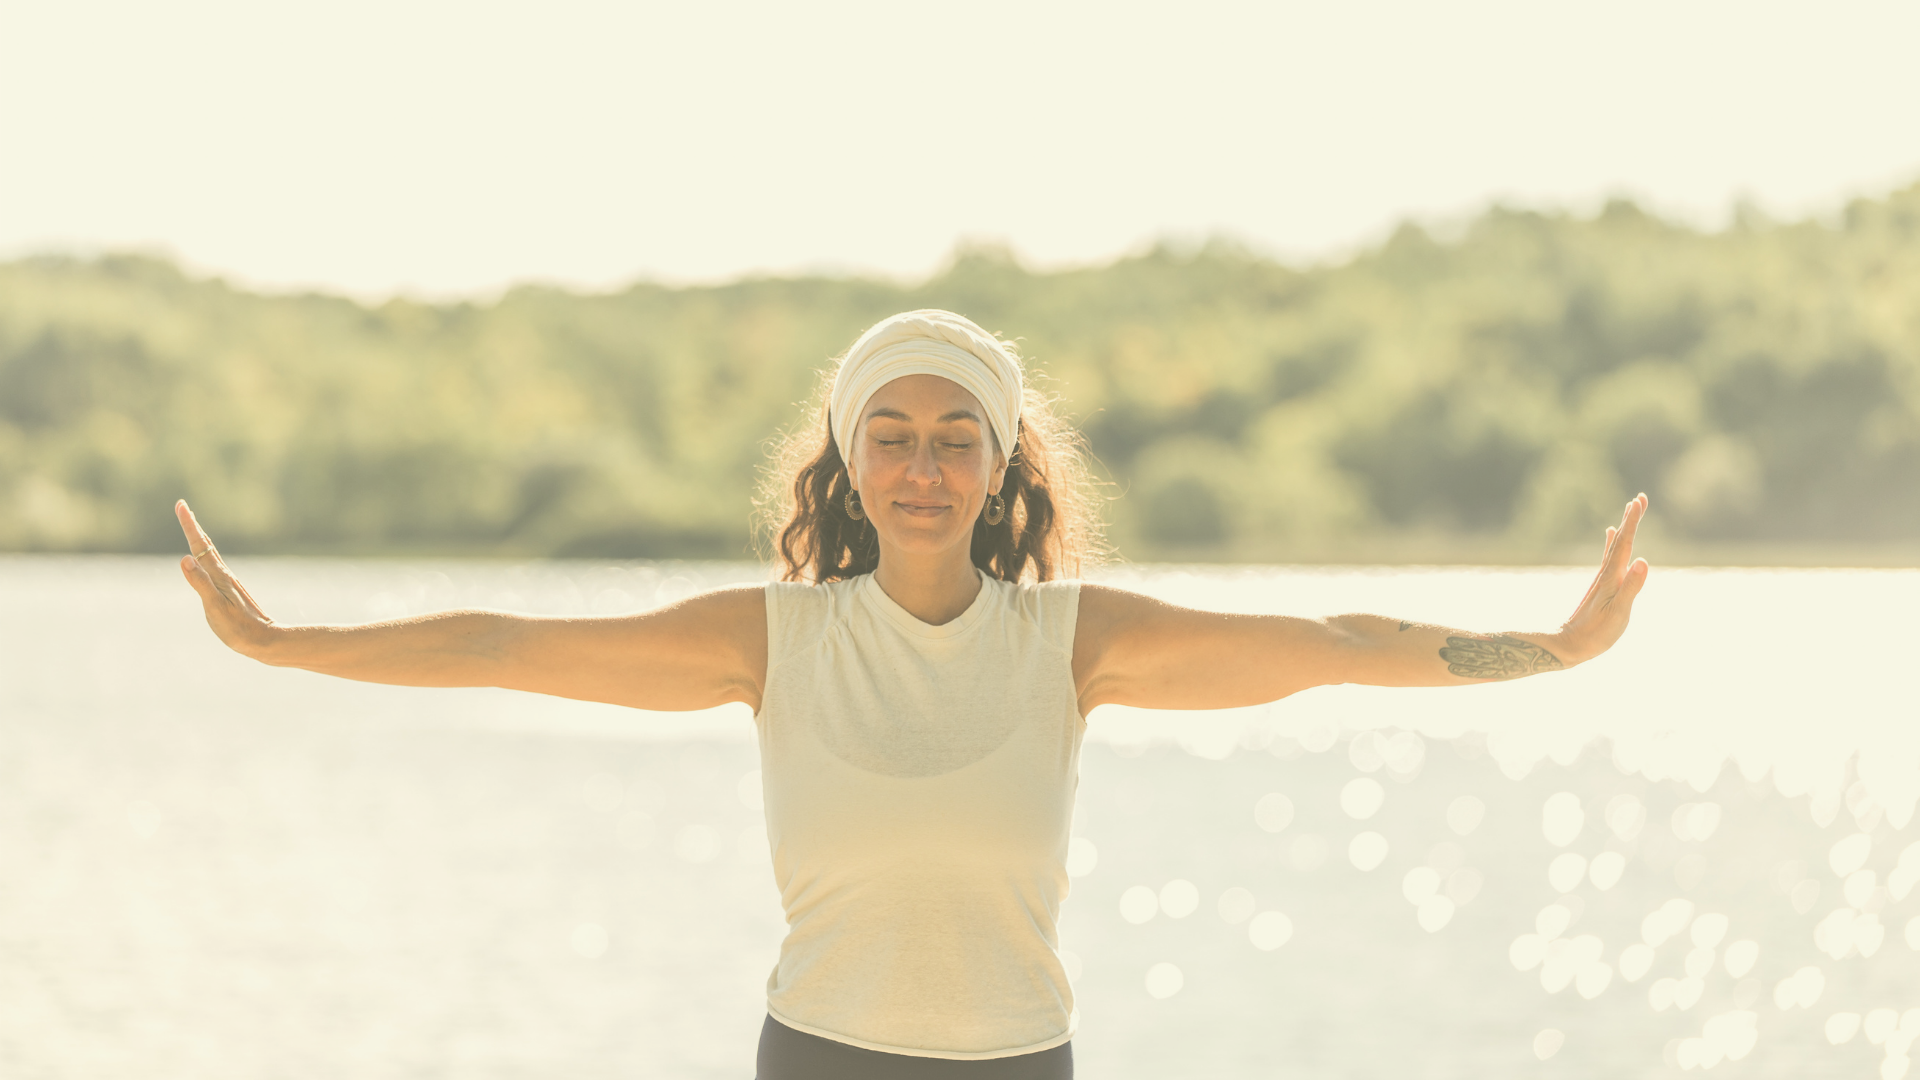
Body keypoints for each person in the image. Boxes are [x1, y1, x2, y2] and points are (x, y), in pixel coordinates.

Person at [175, 309, 1650, 1080]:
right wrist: (285, 642)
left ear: (999, 468)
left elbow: (1335, 638)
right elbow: (504, 645)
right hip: (819, 1064)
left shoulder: (1074, 641)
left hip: (1017, 1067)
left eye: (957, 437)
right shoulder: (771, 643)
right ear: (850, 465)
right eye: (892, 436)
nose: (925, 465)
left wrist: (1558, 649)